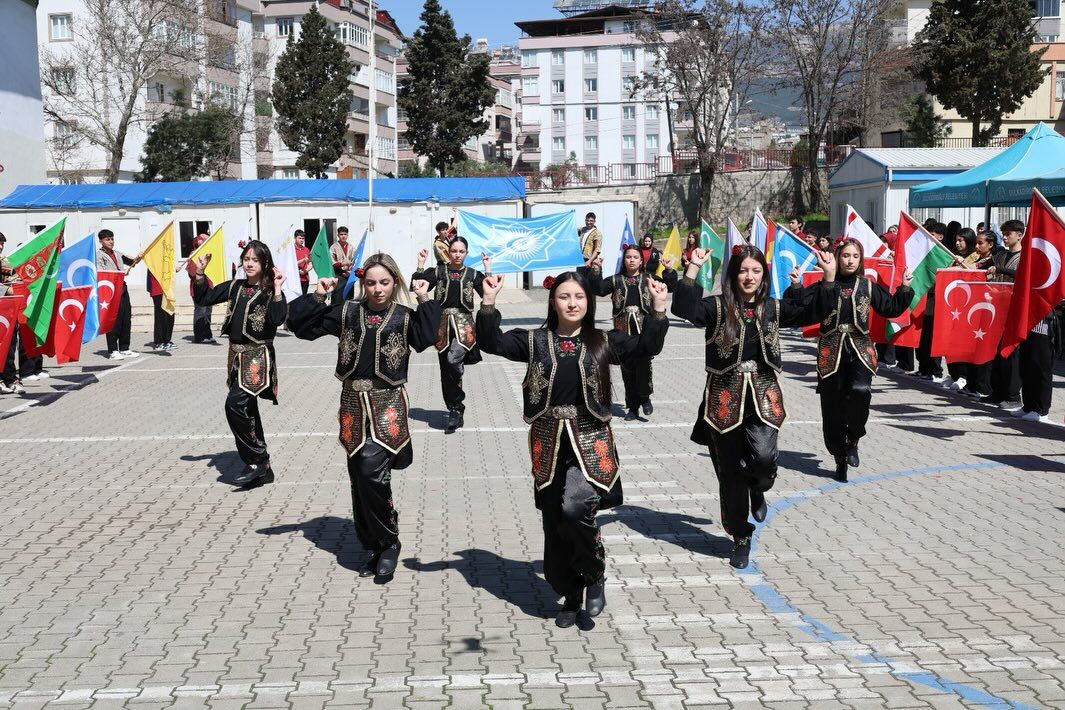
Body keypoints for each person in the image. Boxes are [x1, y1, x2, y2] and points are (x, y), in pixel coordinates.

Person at [476, 270, 669, 628]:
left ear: (589, 301)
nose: (572, 303)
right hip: (548, 442)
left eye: (579, 297)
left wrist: (658, 310)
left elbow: (646, 348)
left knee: (574, 507)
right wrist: (487, 303)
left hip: (589, 440)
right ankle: (569, 593)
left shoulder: (603, 341)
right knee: (555, 522)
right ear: (552, 301)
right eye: (564, 296)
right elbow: (491, 343)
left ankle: (594, 575)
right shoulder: (535, 341)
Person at [672, 244, 836, 569]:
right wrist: (691, 268)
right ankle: (740, 535)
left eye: (756, 271)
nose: (749, 277)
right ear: (733, 275)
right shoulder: (717, 308)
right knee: (730, 474)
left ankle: (759, 487)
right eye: (743, 270)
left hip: (763, 395)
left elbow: (813, 311)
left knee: (762, 459)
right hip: (724, 397)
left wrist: (829, 277)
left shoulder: (774, 308)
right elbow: (684, 308)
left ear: (764, 276)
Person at [288, 254, 439, 579]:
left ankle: (389, 542)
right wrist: (318, 294)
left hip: (387, 405)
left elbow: (427, 337)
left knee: (372, 473)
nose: (377, 289)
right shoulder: (347, 312)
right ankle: (371, 543)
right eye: (371, 282)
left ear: (394, 282)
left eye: (384, 282)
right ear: (362, 283)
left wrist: (424, 297)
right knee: (359, 475)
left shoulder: (403, 316)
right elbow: (300, 327)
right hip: (353, 405)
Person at [806, 238, 912, 482]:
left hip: (860, 348)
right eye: (845, 255)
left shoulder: (868, 285)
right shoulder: (826, 284)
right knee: (832, 407)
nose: (850, 260)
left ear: (860, 259)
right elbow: (803, 305)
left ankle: (853, 437)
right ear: (837, 257)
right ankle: (839, 457)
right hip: (830, 351)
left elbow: (891, 308)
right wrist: (793, 286)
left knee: (860, 391)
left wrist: (904, 288)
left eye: (855, 256)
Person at [192, 241, 288, 490]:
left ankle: (257, 460)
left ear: (264, 263)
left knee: (235, 404)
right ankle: (262, 466)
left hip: (257, 356)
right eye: (246, 258)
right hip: (235, 357)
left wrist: (278, 288)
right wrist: (200, 273)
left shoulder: (269, 291)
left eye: (255, 260)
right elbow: (204, 297)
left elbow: (278, 319)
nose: (249, 263)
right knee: (247, 409)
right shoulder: (235, 286)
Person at [582, 245, 677, 420]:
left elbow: (670, 287)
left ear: (642, 261)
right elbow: (598, 289)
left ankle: (645, 397)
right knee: (627, 368)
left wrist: (669, 270)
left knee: (643, 364)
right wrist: (596, 270)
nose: (631, 260)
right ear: (624, 260)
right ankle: (632, 407)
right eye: (628, 257)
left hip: (644, 331)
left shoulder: (649, 278)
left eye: (635, 257)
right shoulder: (616, 280)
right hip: (622, 331)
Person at [412, 237, 490, 433]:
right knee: (446, 369)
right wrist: (420, 264)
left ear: (466, 253)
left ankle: (457, 404)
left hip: (465, 325)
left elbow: (489, 291)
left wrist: (488, 269)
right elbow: (419, 284)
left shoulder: (473, 274)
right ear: (449, 252)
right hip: (443, 325)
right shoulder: (439, 272)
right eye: (454, 251)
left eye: (461, 251)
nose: (457, 254)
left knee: (453, 358)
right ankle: (455, 410)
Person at [984, 220, 1024, 407]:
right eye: (1004, 234)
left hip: (1014, 312)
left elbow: (1023, 276)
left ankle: (1013, 396)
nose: (1005, 237)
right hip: (996, 310)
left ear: (1020, 235)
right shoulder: (999, 255)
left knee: (1011, 355)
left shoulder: (1025, 257)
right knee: (996, 353)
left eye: (1009, 234)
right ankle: (997, 391)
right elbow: (979, 266)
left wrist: (1001, 270)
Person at [96, 229, 141, 360]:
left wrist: (139, 256)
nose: (111, 241)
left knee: (126, 318)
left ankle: (125, 347)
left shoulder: (117, 253)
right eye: (107, 239)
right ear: (101, 241)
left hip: (122, 289)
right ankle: (113, 350)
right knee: (113, 320)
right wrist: (121, 274)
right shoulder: (98, 256)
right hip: (110, 292)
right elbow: (101, 273)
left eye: (112, 239)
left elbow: (132, 261)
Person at [914, 222, 948, 383]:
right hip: (925, 301)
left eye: (932, 235)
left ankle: (936, 370)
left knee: (934, 337)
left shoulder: (945, 254)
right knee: (924, 337)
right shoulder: (926, 252)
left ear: (940, 237)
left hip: (939, 303)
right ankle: (923, 367)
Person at [0, 233, 29, 395]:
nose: (0, 246)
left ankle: (10, 379)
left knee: (10, 345)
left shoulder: (4, 262)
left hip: (7, 311)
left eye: (2, 243)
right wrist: (7, 290)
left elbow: (15, 277)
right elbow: (7, 287)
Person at [187, 232, 216, 345]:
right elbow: (191, 273)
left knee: (208, 311)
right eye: (204, 241)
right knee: (200, 311)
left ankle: (207, 334)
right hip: (198, 288)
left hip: (209, 287)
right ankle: (199, 336)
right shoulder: (194, 255)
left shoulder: (208, 255)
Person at [147, 270, 175, 350]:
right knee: (160, 315)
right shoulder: (153, 258)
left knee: (170, 313)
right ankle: (159, 342)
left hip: (168, 287)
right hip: (157, 287)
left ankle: (167, 340)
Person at [294, 229, 311, 295]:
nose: (301, 240)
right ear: (295, 238)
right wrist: (303, 260)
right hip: (295, 279)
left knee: (303, 299)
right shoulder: (291, 250)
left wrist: (306, 271)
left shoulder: (306, 249)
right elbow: (291, 264)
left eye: (303, 238)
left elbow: (310, 264)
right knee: (295, 300)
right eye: (300, 238)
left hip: (305, 279)